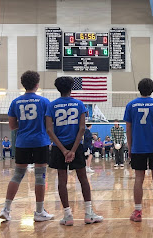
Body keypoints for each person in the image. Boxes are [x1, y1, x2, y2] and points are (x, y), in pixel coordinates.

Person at [45, 76, 103, 225]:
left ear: (58, 88)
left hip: (59, 147)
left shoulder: (51, 106)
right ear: (71, 88)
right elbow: (82, 128)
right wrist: (73, 150)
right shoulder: (79, 104)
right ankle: (89, 214)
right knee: (83, 178)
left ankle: (68, 216)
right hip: (75, 146)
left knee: (62, 181)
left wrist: (64, 150)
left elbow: (49, 130)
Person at [0, 70, 53, 222]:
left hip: (22, 142)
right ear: (37, 84)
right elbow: (49, 125)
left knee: (17, 175)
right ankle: (39, 212)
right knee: (40, 177)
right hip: (40, 142)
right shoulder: (44, 102)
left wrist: (25, 126)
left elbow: (12, 126)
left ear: (23, 85)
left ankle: (6, 209)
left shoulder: (15, 102)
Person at [125, 78, 153, 222]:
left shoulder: (131, 105)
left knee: (139, 178)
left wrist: (130, 147)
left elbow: (128, 128)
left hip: (138, 147)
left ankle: (138, 211)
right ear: (152, 89)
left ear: (139, 89)